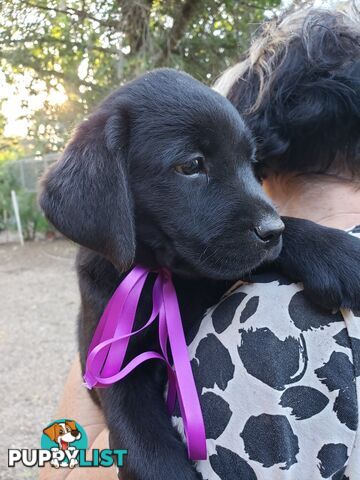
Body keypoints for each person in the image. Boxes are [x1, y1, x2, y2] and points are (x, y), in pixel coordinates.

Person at [40, 5, 360, 480]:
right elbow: (121, 390)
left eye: (249, 168)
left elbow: (61, 466)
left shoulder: (259, 336)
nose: (268, 220)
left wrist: (301, 242)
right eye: (193, 166)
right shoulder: (110, 274)